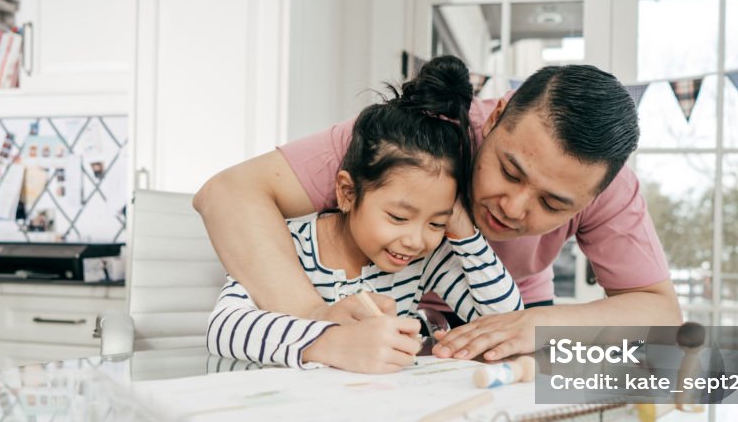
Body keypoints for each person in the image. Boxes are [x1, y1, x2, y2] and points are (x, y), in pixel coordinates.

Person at [195, 57, 682, 364]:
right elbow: (227, 194)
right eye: (509, 172)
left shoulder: (611, 185)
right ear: (493, 118)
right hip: (375, 327)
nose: (512, 209)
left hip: (506, 318)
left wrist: (541, 324)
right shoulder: (415, 137)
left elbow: (661, 311)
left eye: (553, 204)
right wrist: (315, 320)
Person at [206, 57, 523, 372]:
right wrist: (329, 342)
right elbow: (224, 329)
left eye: (437, 221)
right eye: (398, 217)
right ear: (347, 192)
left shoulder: (425, 259)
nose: (415, 240)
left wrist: (465, 233)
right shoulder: (289, 244)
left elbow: (505, 321)